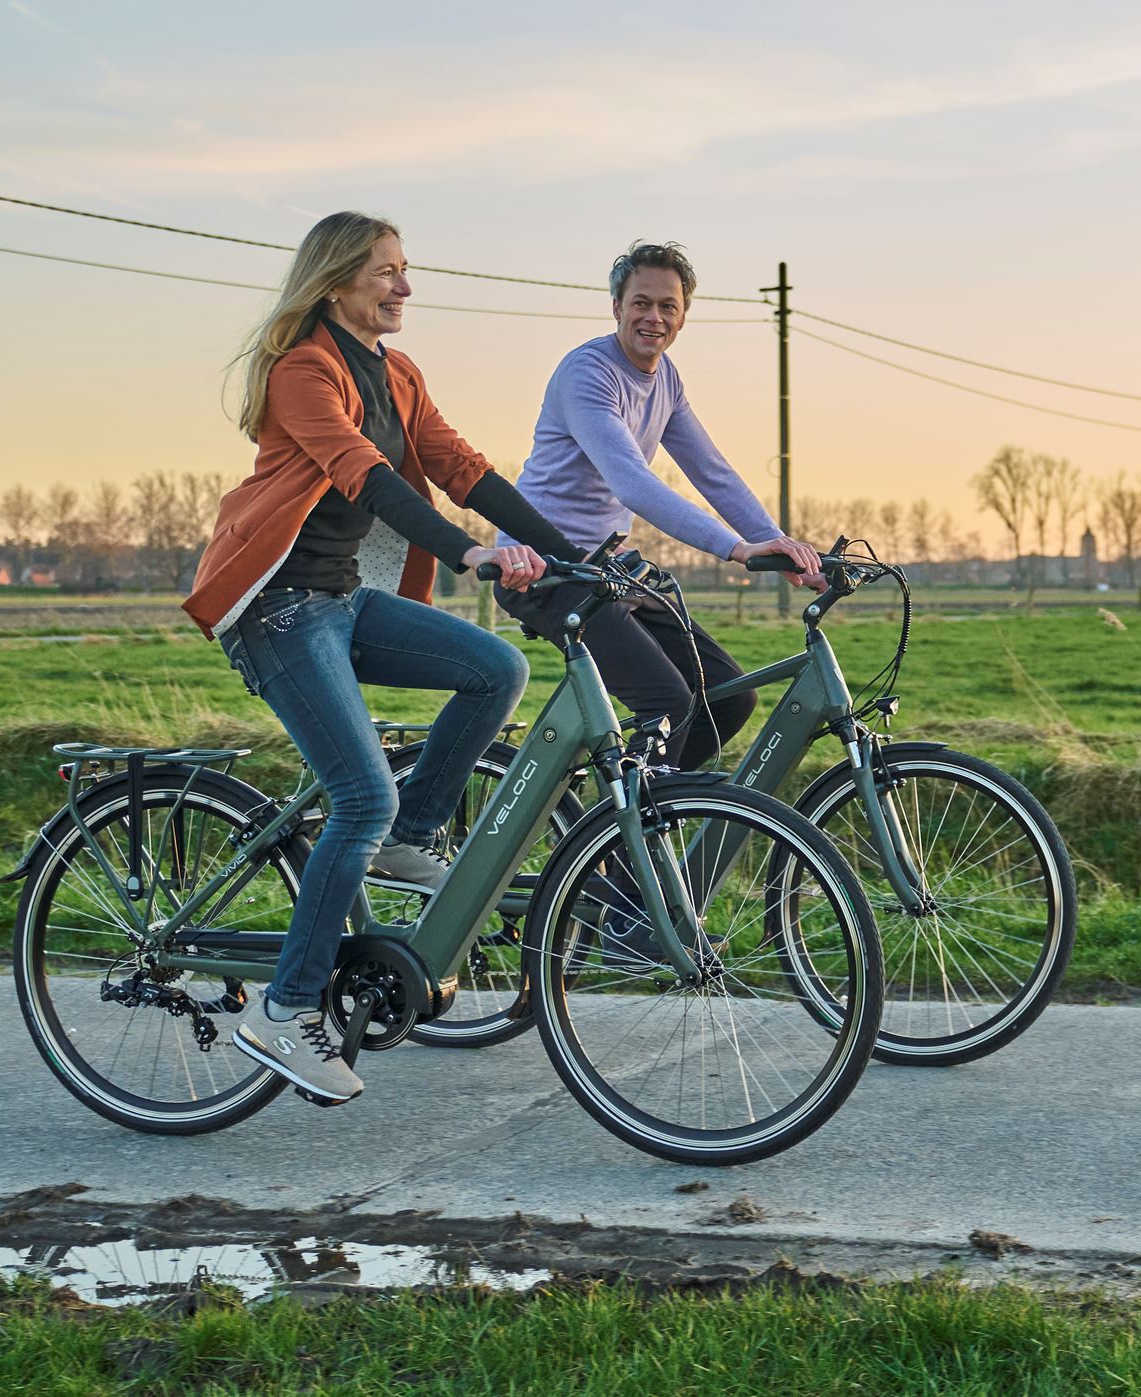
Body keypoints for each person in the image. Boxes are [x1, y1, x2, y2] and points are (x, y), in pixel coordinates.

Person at [181, 211, 582, 1105]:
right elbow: (371, 477)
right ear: (335, 284)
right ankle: (286, 1008)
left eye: (406, 270)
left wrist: (569, 550)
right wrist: (471, 552)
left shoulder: (398, 373)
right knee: (359, 794)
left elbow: (462, 466)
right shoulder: (303, 371)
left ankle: (409, 839)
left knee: (496, 669)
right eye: (385, 273)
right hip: (280, 609)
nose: (404, 287)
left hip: (344, 602)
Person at [512, 239, 823, 773]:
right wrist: (737, 550)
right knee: (667, 701)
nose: (653, 317)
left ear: (683, 317)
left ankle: (630, 817)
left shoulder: (667, 379)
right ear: (617, 307)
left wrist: (780, 545)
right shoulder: (588, 374)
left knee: (729, 696)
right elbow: (632, 482)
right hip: (546, 567)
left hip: (609, 568)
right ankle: (623, 843)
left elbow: (712, 471)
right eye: (641, 303)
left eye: (667, 307)